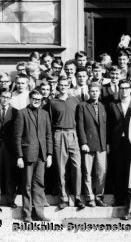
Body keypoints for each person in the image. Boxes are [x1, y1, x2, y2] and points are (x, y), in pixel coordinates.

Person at [46, 76, 84, 209]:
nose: (63, 87)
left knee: (77, 167)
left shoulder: (75, 100)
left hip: (73, 134)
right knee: (61, 168)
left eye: (65, 85)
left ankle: (78, 197)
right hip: (59, 133)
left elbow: (79, 120)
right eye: (60, 85)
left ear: (69, 86)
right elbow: (49, 124)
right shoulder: (52, 102)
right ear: (58, 86)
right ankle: (63, 198)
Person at [14, 90, 53, 222]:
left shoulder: (45, 114)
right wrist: (19, 156)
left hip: (41, 155)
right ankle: (27, 215)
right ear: (29, 99)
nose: (36, 101)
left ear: (42, 100)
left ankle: (40, 213)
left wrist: (49, 154)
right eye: (34, 99)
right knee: (27, 186)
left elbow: (48, 136)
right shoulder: (22, 113)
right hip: (27, 155)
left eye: (39, 99)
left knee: (39, 185)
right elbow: (17, 137)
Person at [108, 80, 131, 205]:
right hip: (117, 142)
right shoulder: (113, 105)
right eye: (121, 88)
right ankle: (119, 198)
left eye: (126, 88)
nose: (124, 90)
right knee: (118, 170)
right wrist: (108, 143)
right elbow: (109, 125)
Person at [77, 83, 109, 208]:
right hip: (88, 145)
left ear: (99, 92)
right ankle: (90, 198)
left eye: (96, 91)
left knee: (101, 172)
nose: (94, 93)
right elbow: (80, 125)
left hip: (101, 145)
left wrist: (106, 144)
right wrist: (83, 142)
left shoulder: (102, 106)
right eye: (92, 91)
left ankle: (99, 197)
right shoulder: (82, 106)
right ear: (88, 92)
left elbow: (105, 127)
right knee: (87, 173)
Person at [0, 88, 18, 207]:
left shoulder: (15, 112)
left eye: (7, 97)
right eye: (3, 97)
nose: (5, 99)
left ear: (10, 98)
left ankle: (11, 200)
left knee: (10, 174)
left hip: (10, 149)